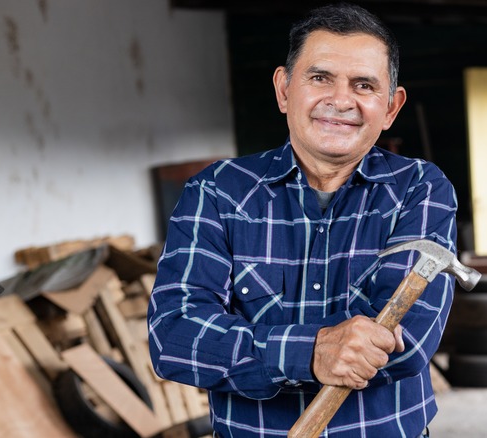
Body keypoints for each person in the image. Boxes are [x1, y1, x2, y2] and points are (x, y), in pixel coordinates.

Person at [147, 3, 458, 437]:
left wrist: (257, 350)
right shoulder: (217, 192)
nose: (341, 100)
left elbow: (406, 343)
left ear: (390, 108)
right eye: (320, 78)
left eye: (364, 85)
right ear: (284, 89)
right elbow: (174, 337)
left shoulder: (419, 188)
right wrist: (310, 351)